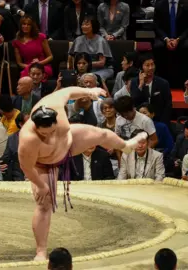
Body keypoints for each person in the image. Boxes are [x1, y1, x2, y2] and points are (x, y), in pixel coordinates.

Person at [18, 86, 148, 261]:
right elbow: (26, 166)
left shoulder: (54, 104)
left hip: (69, 144)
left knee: (101, 134)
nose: (48, 137)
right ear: (35, 127)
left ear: (57, 119)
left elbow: (68, 91)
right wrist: (41, 186)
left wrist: (89, 92)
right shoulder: (28, 139)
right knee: (44, 204)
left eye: (52, 131)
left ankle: (126, 146)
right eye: (43, 134)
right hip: (43, 164)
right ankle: (41, 251)